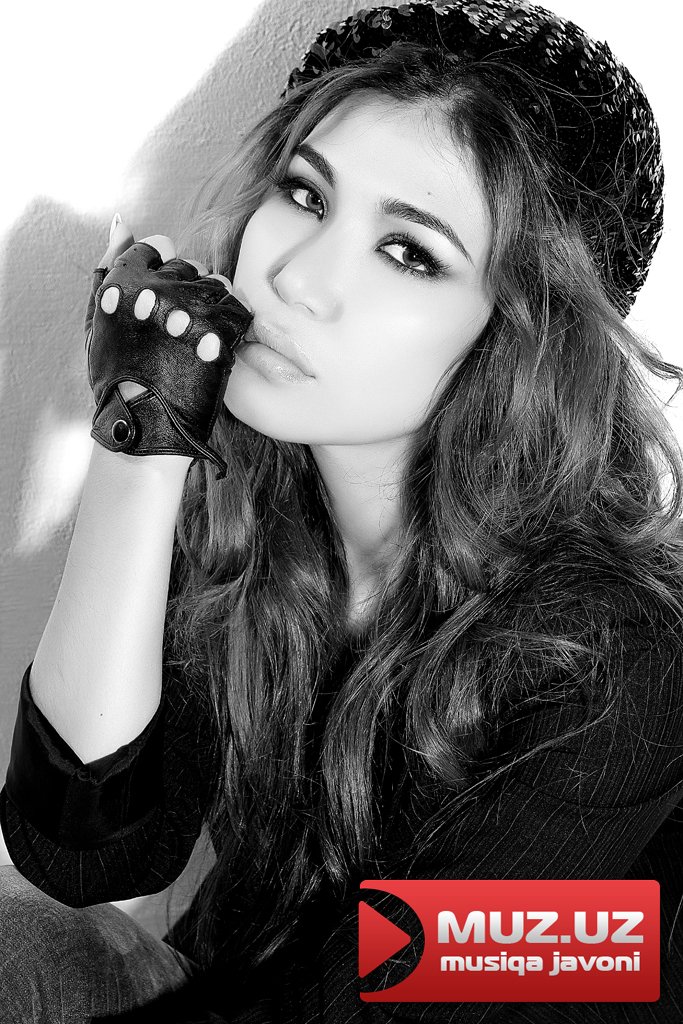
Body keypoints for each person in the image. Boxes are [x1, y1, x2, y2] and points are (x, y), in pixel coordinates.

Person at [1, 1, 682, 1022]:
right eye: (304, 194)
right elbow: (85, 853)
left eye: (408, 252)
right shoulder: (252, 514)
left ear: (522, 336)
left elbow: (401, 992)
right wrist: (141, 441)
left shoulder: (620, 648)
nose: (295, 278)